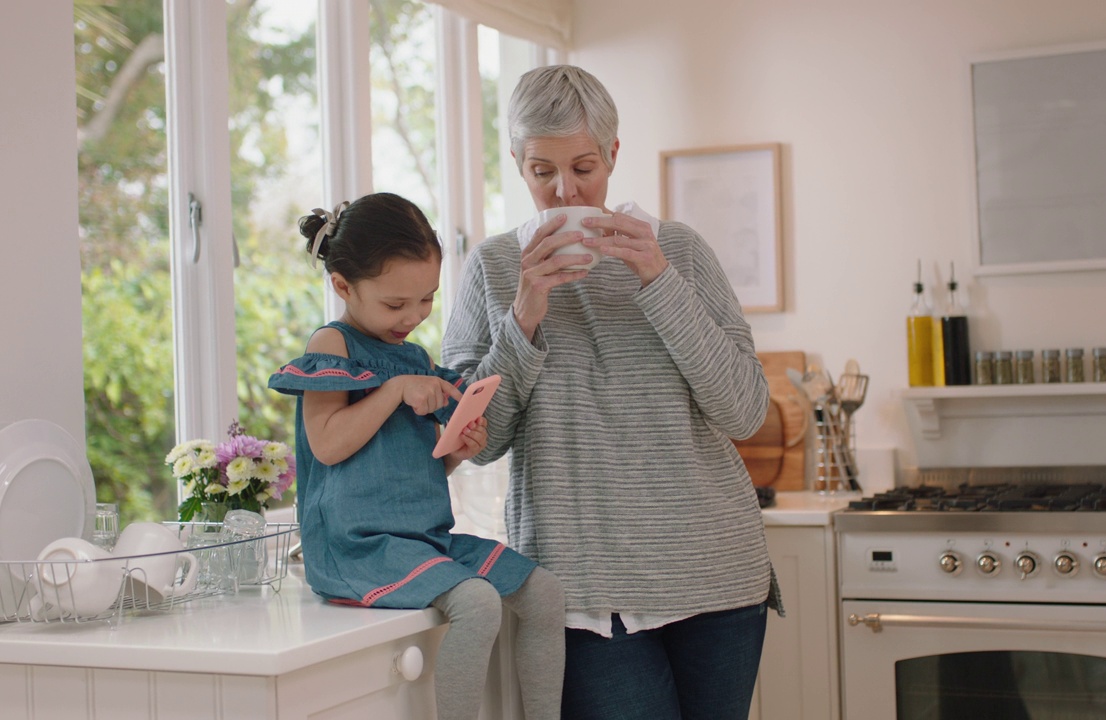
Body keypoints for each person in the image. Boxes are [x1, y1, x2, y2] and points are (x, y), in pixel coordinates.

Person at [441, 66, 779, 720]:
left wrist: (657, 278)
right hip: (585, 590)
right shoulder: (491, 267)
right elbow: (477, 443)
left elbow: (745, 409)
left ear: (614, 155)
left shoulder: (678, 249)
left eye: (583, 167)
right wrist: (526, 314)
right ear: (516, 162)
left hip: (717, 574)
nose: (564, 189)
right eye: (542, 171)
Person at [267, 192, 564, 720]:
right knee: (477, 603)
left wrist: (456, 451)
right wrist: (394, 390)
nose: (414, 316)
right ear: (342, 286)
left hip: (423, 538)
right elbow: (329, 444)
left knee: (542, 592)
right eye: (395, 304)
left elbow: (410, 462)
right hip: (356, 548)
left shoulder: (413, 357)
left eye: (426, 299)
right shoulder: (333, 344)